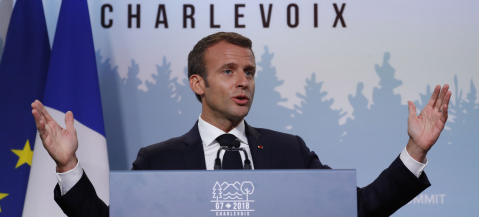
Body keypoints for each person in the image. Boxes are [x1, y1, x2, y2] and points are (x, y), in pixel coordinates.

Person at [32, 32, 451, 217]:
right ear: (198, 83)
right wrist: (69, 166)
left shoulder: (289, 151)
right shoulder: (159, 160)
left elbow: (358, 209)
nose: (243, 82)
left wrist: (415, 152)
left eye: (249, 71)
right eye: (229, 71)